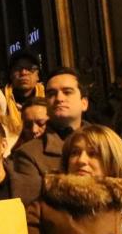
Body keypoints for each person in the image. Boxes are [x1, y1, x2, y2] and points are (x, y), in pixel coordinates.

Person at [8, 67, 92, 197]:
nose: (59, 98)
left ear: (84, 103)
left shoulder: (107, 144)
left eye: (67, 92)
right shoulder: (28, 154)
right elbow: (32, 206)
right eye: (51, 94)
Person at [3, 50, 43, 120]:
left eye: (29, 68)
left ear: (38, 75)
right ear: (10, 74)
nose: (23, 72)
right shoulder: (1, 99)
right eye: (18, 68)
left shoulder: (47, 96)